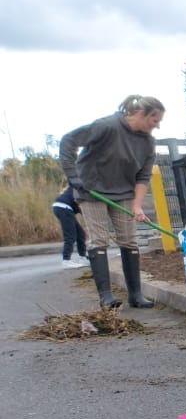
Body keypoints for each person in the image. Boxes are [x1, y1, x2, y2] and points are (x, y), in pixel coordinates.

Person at [58, 95, 166, 309]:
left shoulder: (148, 142)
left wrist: (136, 205)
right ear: (141, 114)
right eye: (155, 120)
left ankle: (135, 294)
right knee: (99, 240)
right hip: (91, 191)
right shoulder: (106, 126)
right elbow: (68, 141)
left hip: (124, 192)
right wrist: (73, 176)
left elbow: (143, 176)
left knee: (129, 240)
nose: (158, 126)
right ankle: (106, 296)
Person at [51, 186, 87, 269]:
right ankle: (66, 260)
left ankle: (83, 258)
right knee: (70, 235)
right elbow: (80, 205)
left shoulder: (80, 186)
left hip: (64, 208)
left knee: (80, 234)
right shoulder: (81, 187)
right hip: (64, 207)